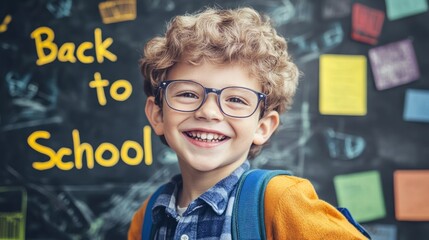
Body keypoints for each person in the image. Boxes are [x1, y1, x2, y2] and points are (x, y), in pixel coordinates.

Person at [128, 6, 368, 240]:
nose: (209, 112)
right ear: (158, 115)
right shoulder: (147, 218)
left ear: (262, 127)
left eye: (235, 99)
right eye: (188, 94)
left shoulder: (281, 202)